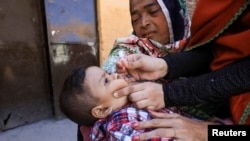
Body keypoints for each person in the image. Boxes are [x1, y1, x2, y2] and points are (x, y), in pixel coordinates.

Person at [114, 0, 250, 140]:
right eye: (135, 19)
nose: (143, 23)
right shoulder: (128, 53)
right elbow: (220, 51)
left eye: (154, 11)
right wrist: (166, 66)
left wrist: (207, 132)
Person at [60, 65, 186, 141]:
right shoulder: (118, 124)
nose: (114, 75)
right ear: (102, 110)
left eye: (109, 74)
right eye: (106, 81)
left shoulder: (129, 102)